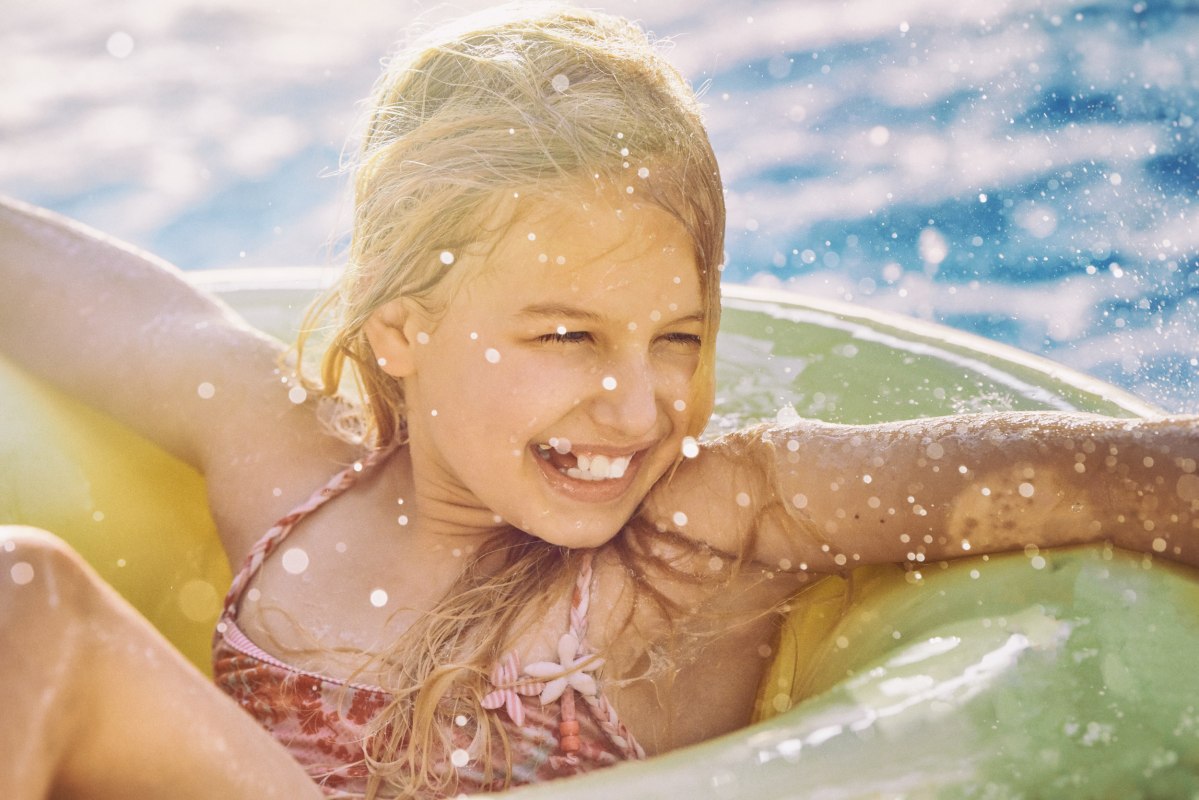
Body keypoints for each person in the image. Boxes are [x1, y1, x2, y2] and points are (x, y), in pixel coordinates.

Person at [1, 3, 1196, 799]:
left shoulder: (702, 524)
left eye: (676, 336)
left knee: (30, 597)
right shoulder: (288, 462)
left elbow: (1105, 475)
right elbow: (89, 298)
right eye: (567, 336)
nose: (636, 404)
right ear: (401, 328)